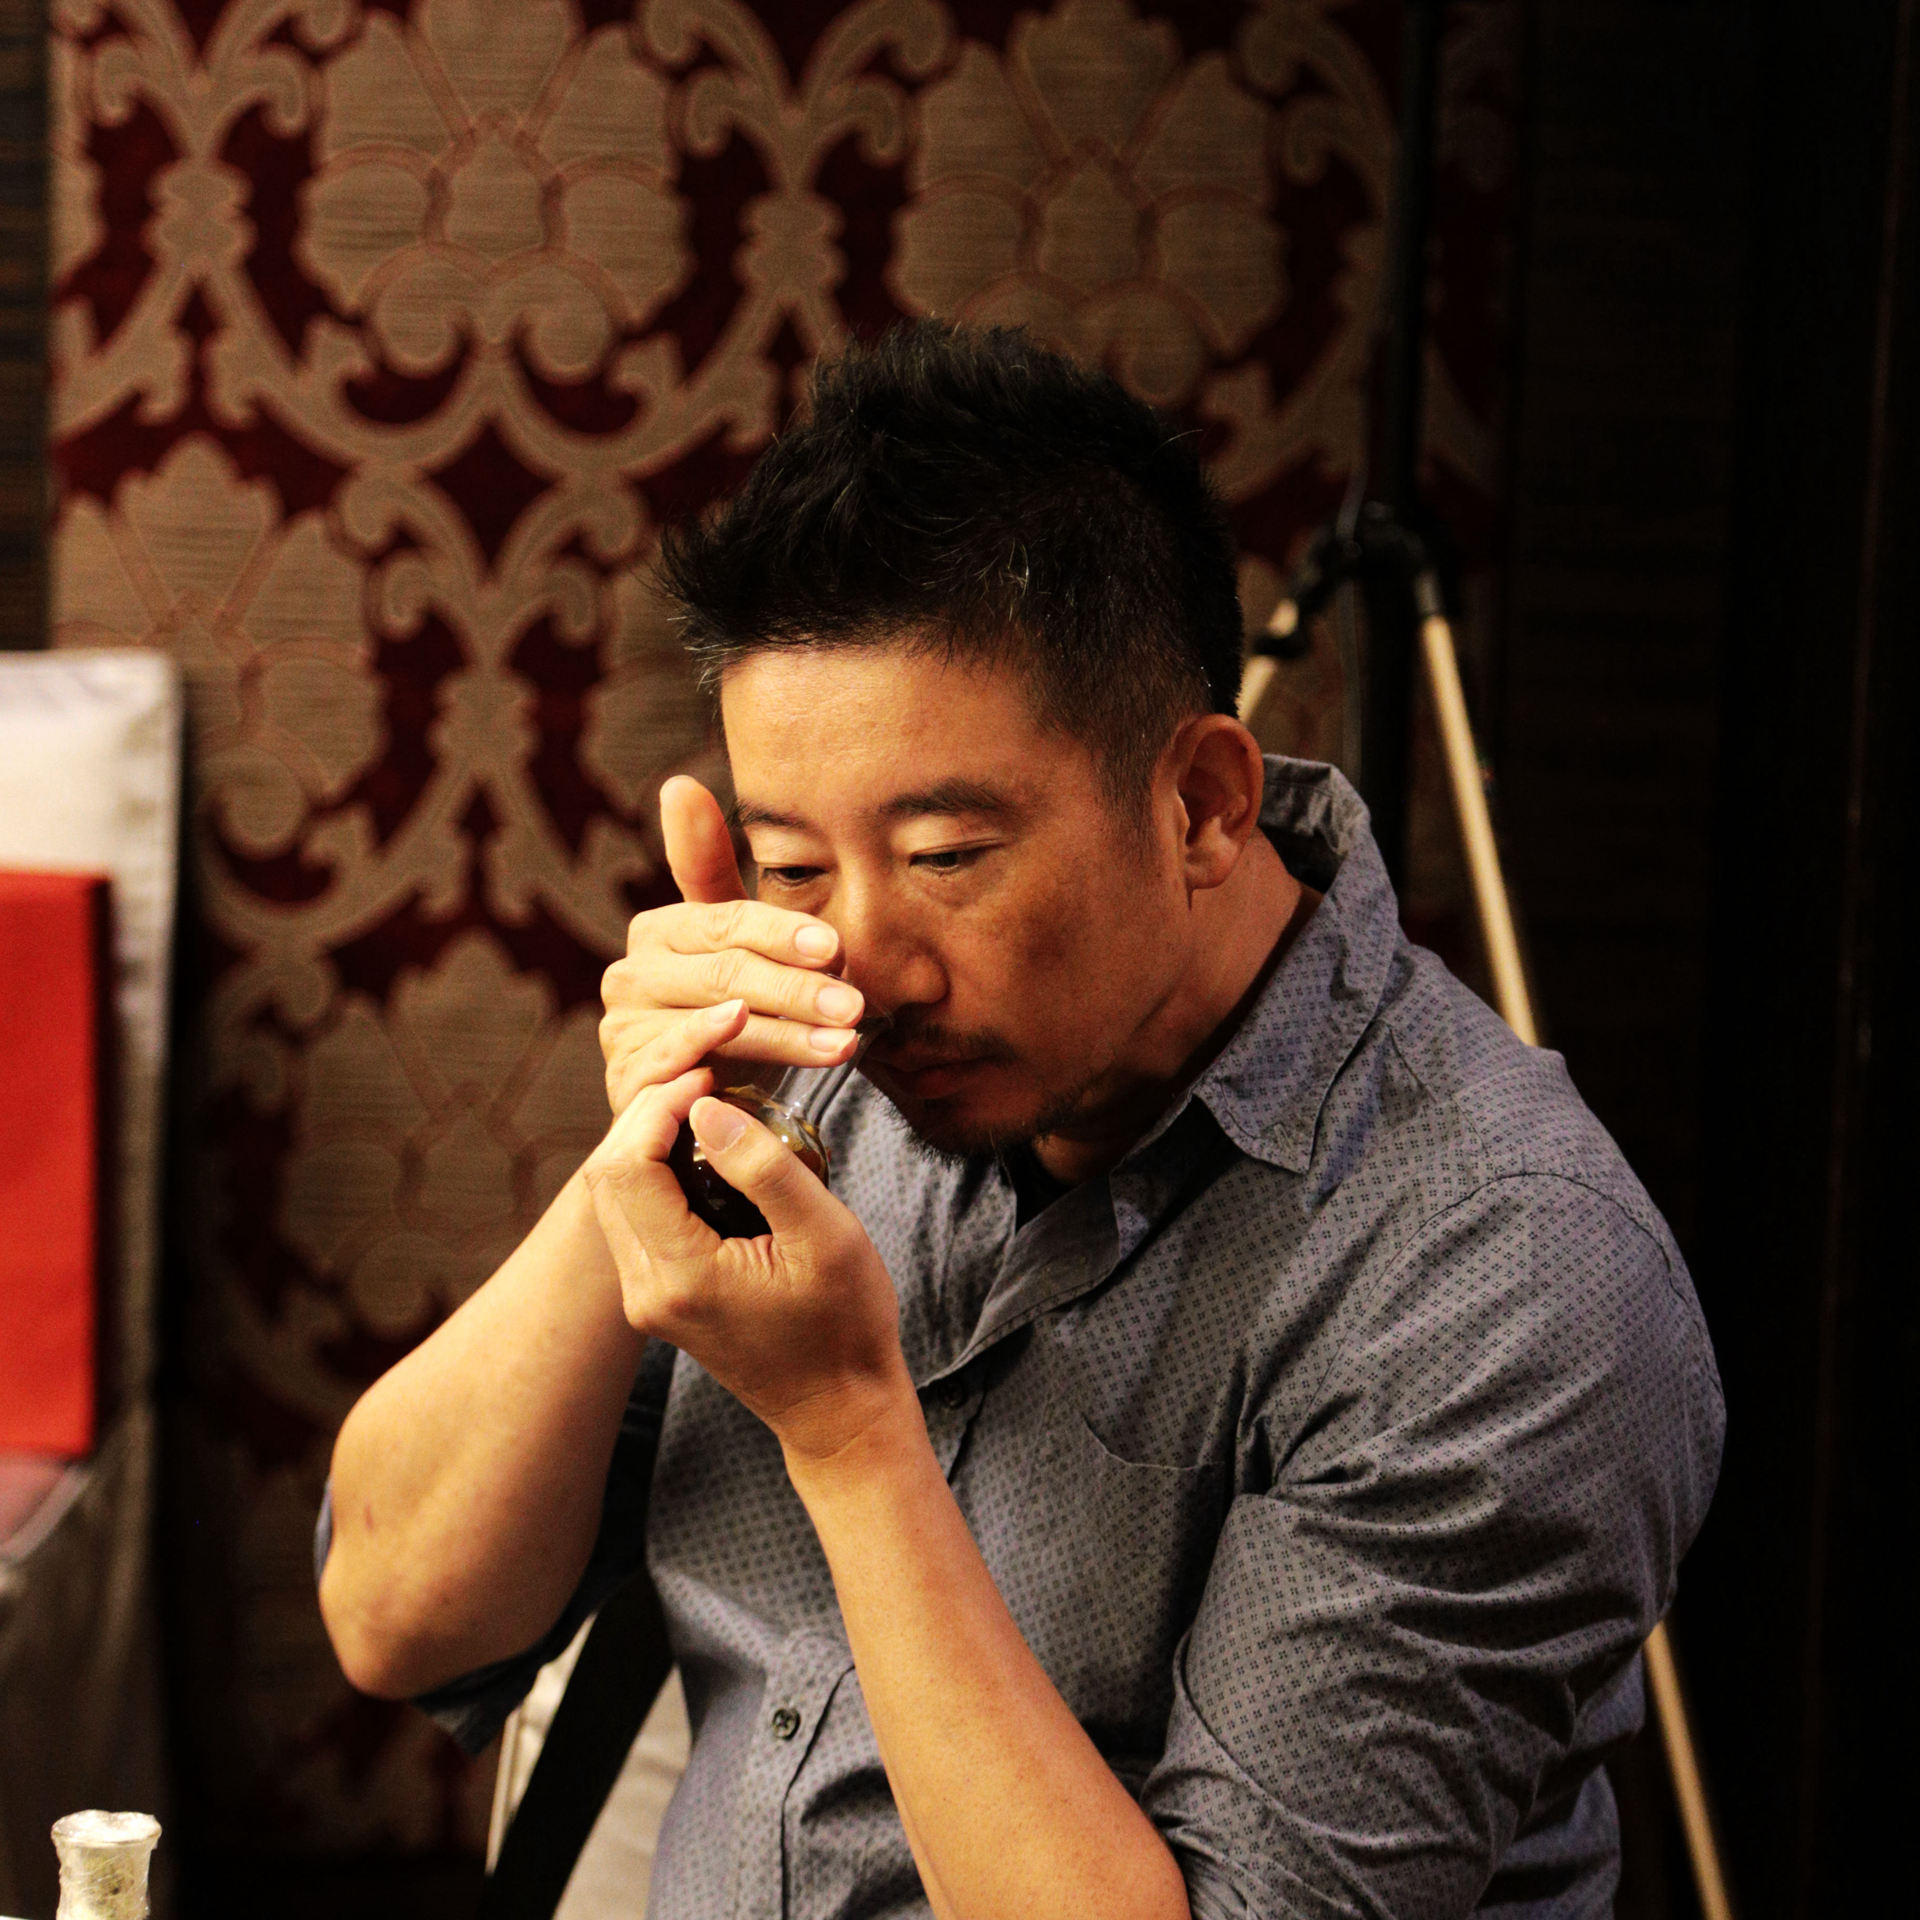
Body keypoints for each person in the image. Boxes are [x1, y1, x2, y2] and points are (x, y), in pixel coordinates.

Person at [316, 323, 1724, 1920]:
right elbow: (394, 1616)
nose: (866, 963)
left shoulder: (1503, 1274)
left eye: (946, 858)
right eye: (791, 862)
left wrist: (851, 1431)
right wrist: (652, 1136)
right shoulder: (818, 1043)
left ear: (1202, 805)